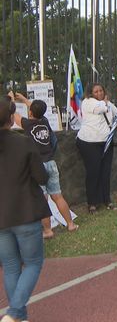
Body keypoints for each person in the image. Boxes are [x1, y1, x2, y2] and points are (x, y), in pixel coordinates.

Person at [0, 97, 51, 322]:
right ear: (11, 118)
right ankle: (14, 313)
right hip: (25, 210)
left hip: (1, 216)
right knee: (33, 263)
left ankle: (19, 316)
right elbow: (41, 176)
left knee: (11, 266)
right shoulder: (23, 142)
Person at [9, 93, 78, 238]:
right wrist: (24, 99)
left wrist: (12, 99)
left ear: (30, 113)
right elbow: (35, 109)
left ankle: (47, 230)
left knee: (42, 199)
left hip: (37, 166)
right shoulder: (45, 122)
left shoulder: (27, 124)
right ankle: (70, 224)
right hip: (51, 163)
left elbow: (13, 114)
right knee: (58, 196)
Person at [76, 83, 117, 214]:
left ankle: (106, 200)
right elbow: (100, 109)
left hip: (106, 142)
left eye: (101, 90)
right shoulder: (87, 102)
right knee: (93, 172)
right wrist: (106, 104)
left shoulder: (108, 103)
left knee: (105, 172)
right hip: (89, 142)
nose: (99, 93)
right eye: (96, 91)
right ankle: (92, 203)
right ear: (90, 93)